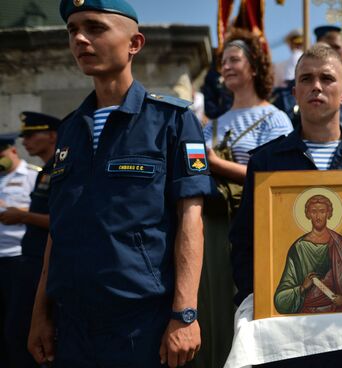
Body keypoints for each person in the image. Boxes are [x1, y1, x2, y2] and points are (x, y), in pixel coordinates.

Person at [28, 1, 213, 367]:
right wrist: (40, 314)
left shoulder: (171, 121)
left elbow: (191, 221)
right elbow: (57, 230)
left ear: (135, 43)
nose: (80, 38)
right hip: (72, 323)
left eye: (95, 28)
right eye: (73, 30)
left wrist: (185, 315)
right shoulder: (69, 130)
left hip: (141, 324)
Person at [230, 43, 342, 366]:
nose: (316, 86)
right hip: (286, 333)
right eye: (306, 78)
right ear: (295, 91)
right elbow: (245, 242)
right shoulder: (268, 162)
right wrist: (260, 294)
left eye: (326, 78)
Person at [0, 112, 58, 368]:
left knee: (22, 332)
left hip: (39, 263)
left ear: (52, 136)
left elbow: (60, 220)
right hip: (30, 259)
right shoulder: (47, 170)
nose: (25, 141)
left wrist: (21, 216)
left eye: (32, 135)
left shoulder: (57, 170)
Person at [204, 28, 293, 186]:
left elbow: (277, 177)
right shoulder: (212, 125)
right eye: (223, 62)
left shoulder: (275, 119)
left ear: (254, 67)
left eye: (234, 60)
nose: (226, 67)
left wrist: (217, 164)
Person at [274, 194, 342, 314]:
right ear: (308, 214)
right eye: (314, 212)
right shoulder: (298, 248)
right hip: (305, 316)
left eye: (322, 211)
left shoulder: (340, 245)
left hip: (338, 314)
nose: (318, 216)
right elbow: (280, 298)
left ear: (328, 214)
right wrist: (302, 288)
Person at [0, 132, 39, 367]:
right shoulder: (1, 178)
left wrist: (10, 208)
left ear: (12, 151)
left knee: (18, 322)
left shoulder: (32, 176)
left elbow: (41, 209)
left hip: (18, 257)